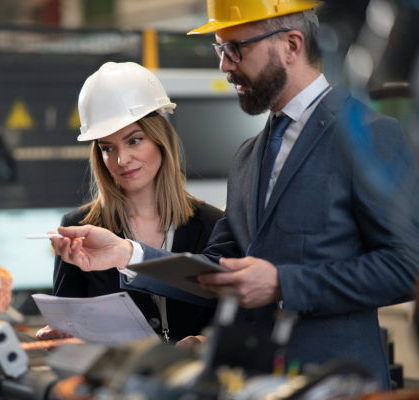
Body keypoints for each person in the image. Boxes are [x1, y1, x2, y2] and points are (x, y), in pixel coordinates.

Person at [49, 0, 419, 388]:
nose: (224, 65)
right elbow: (212, 271)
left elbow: (406, 267)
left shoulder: (369, 135)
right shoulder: (246, 159)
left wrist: (282, 284)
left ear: (291, 45)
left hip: (338, 386)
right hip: (253, 385)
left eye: (235, 48)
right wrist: (127, 254)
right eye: (220, 49)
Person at [36, 62, 223, 346]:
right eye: (107, 148)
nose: (121, 160)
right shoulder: (78, 228)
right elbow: (68, 326)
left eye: (134, 141)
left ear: (161, 139)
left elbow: (235, 315)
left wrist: (207, 343)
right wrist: (63, 341)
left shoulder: (213, 225)